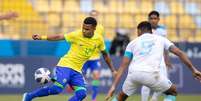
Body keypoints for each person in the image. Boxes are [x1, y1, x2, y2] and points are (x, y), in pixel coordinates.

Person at [22, 17, 116, 101]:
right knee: (57, 89)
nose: (84, 30)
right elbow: (59, 37)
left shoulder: (99, 39)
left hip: (77, 71)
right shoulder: (76, 34)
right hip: (66, 65)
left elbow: (105, 54)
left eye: (87, 29)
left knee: (81, 94)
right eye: (83, 28)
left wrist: (112, 70)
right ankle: (29, 96)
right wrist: (42, 37)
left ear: (94, 28)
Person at [105, 21, 201, 101]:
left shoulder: (132, 43)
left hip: (133, 74)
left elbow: (122, 66)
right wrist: (193, 69)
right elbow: (179, 53)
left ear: (139, 30)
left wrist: (113, 87)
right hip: (151, 74)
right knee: (173, 92)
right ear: (151, 31)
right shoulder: (161, 39)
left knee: (121, 97)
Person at [82, 10, 117, 101]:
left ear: (97, 17)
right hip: (85, 57)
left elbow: (101, 41)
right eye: (92, 15)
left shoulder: (101, 28)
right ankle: (83, 97)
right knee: (82, 78)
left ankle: (94, 98)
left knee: (96, 77)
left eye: (95, 15)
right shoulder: (85, 27)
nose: (94, 17)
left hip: (95, 58)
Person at [141, 10, 172, 101]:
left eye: (155, 18)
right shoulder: (144, 30)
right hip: (147, 60)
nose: (153, 20)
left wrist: (167, 59)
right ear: (148, 19)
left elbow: (165, 46)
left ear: (158, 19)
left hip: (160, 60)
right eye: (151, 18)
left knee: (164, 82)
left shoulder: (162, 30)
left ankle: (154, 99)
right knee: (146, 84)